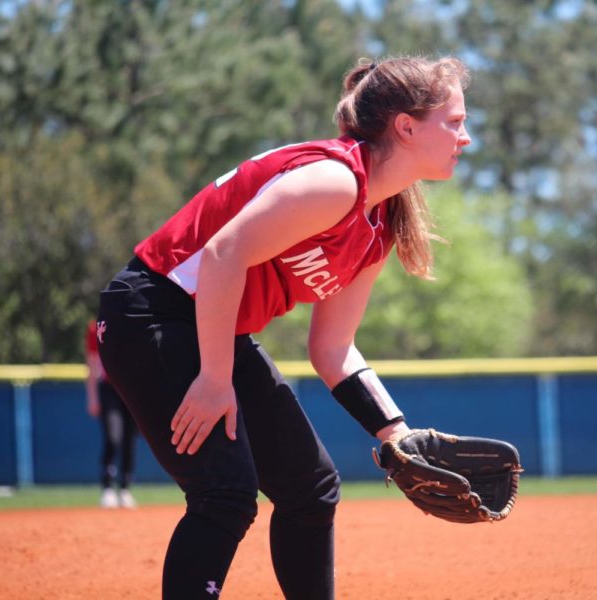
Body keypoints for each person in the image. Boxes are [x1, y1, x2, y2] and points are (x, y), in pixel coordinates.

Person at [96, 56, 471, 599]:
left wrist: (397, 434)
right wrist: (214, 378)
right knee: (224, 494)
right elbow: (222, 253)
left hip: (211, 324)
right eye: (455, 121)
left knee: (310, 489)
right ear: (407, 127)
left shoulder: (376, 224)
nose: (465, 136)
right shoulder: (336, 181)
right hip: (152, 312)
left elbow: (333, 349)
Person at [85, 319, 139, 509]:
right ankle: (107, 488)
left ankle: (125, 488)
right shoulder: (97, 327)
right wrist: (92, 397)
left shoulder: (137, 321)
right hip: (109, 388)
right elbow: (92, 363)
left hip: (133, 388)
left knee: (129, 440)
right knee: (112, 437)